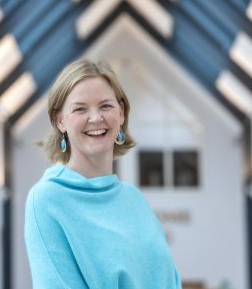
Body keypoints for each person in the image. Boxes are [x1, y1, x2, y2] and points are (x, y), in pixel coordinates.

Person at [24, 59, 182, 289]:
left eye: (105, 106)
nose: (96, 118)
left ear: (121, 113)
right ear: (60, 121)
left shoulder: (135, 200)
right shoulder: (46, 199)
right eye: (80, 108)